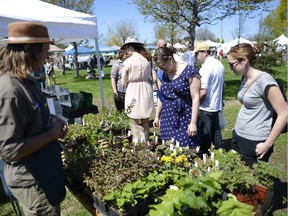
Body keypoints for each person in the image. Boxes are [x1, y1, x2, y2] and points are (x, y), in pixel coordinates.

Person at [0, 21, 68, 215]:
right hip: (32, 181)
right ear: (30, 50)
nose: (48, 58)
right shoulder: (10, 90)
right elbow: (10, 149)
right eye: (46, 51)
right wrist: (51, 134)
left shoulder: (27, 81)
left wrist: (52, 120)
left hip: (43, 174)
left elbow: (31, 117)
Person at [227, 43, 287, 166]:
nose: (230, 68)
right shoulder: (244, 78)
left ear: (244, 60)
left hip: (255, 140)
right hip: (239, 134)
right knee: (236, 175)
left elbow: (284, 113)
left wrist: (267, 144)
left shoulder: (264, 81)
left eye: (232, 64)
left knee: (252, 181)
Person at [152, 46, 201, 147]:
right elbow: (162, 96)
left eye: (162, 66)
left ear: (170, 59)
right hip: (167, 117)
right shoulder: (165, 75)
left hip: (184, 116)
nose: (162, 69)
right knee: (168, 148)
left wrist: (193, 123)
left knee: (185, 148)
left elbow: (196, 99)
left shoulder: (190, 72)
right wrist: (157, 116)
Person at [193, 42, 225, 156]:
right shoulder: (219, 64)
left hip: (206, 106)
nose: (196, 56)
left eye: (197, 53)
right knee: (216, 130)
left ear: (204, 52)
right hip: (216, 104)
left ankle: (204, 154)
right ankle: (219, 151)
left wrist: (195, 105)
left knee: (205, 133)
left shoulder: (206, 68)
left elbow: (203, 91)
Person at [121, 36, 154, 142]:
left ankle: (136, 143)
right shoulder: (147, 60)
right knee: (145, 120)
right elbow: (151, 77)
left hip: (133, 89)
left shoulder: (127, 62)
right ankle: (145, 142)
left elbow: (123, 82)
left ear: (130, 47)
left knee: (133, 120)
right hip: (146, 88)